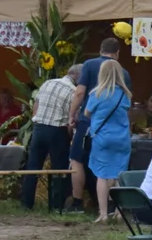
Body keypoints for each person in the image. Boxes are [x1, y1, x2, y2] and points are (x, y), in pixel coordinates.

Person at [69, 38, 130, 213]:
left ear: (101, 49)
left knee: (82, 162)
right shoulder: (124, 87)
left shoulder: (90, 71)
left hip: (98, 132)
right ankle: (116, 209)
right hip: (121, 135)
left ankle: (81, 203)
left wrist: (72, 115)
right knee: (118, 173)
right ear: (117, 53)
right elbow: (127, 111)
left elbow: (81, 94)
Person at [21, 64, 82, 211]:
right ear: (78, 77)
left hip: (39, 128)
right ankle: (56, 205)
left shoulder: (48, 83)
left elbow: (36, 105)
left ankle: (26, 203)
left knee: (33, 167)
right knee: (59, 170)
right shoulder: (74, 92)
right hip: (57, 131)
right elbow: (71, 117)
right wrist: (69, 135)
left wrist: (38, 120)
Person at [84, 60, 132, 223]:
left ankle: (103, 213)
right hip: (122, 138)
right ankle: (119, 211)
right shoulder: (125, 94)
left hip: (103, 138)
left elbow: (87, 113)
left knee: (102, 175)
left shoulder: (97, 94)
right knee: (119, 174)